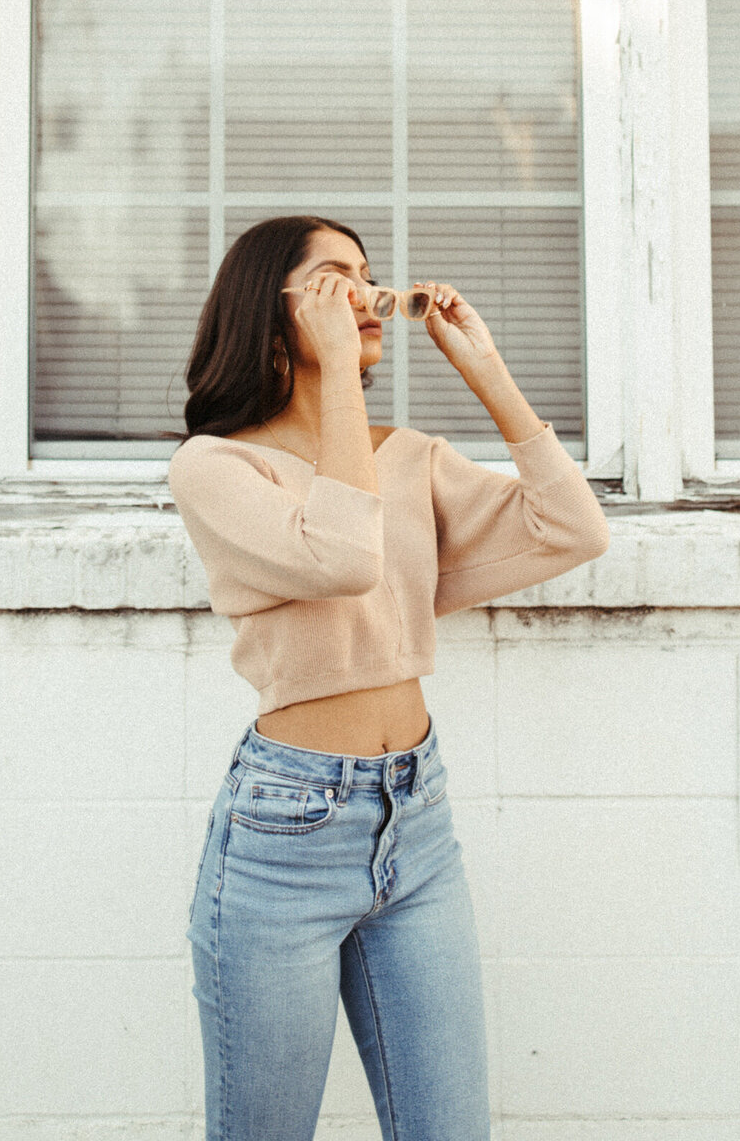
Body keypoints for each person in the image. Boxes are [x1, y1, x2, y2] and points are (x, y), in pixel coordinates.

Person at [166, 214, 611, 1141]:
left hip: (417, 822)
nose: (367, 296)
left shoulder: (405, 455)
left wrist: (485, 372)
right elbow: (340, 556)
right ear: (270, 309)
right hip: (284, 833)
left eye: (367, 277)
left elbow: (573, 531)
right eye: (334, 281)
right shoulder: (214, 468)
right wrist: (333, 384)